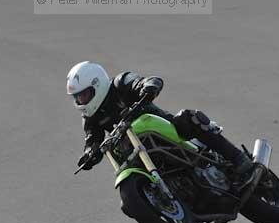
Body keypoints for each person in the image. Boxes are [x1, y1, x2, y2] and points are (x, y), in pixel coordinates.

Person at [66, 61, 254, 189]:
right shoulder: (90, 118)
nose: (81, 101)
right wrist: (89, 154)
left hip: (163, 129)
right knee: (128, 205)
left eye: (83, 95)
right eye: (77, 97)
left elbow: (143, 80)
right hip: (134, 147)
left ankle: (237, 158)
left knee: (190, 118)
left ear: (97, 85)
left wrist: (148, 86)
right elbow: (92, 139)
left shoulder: (120, 83)